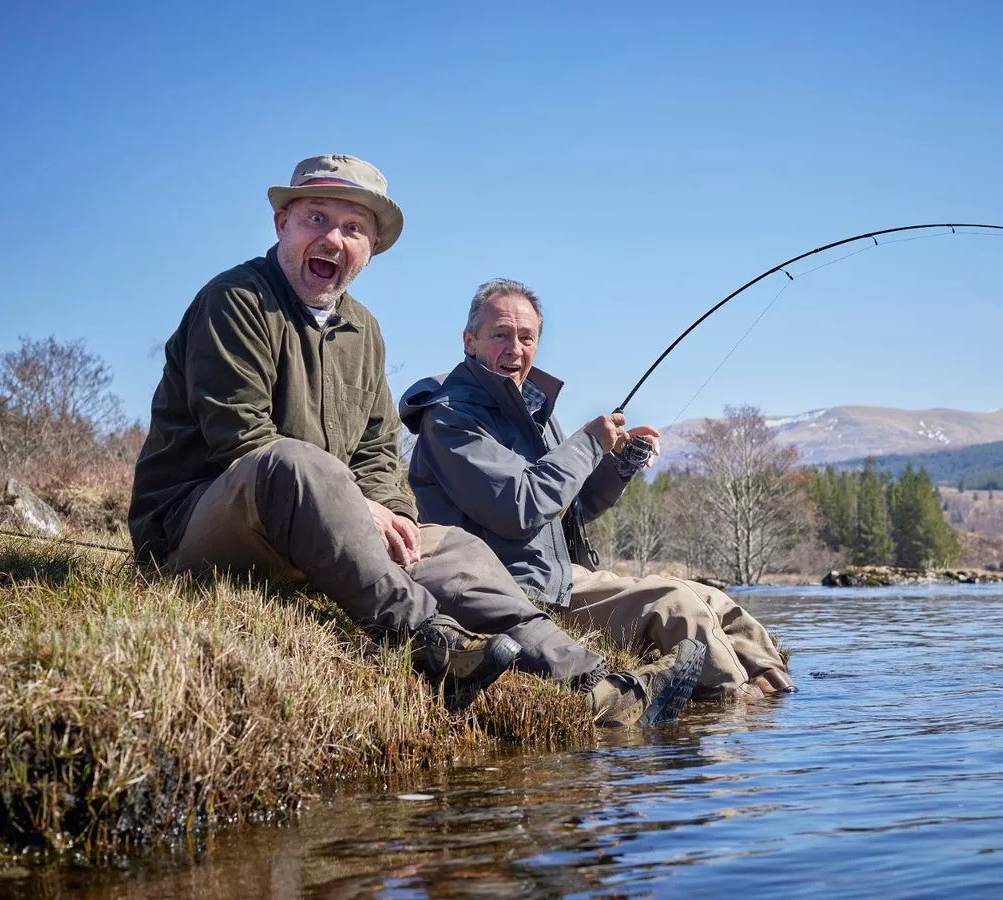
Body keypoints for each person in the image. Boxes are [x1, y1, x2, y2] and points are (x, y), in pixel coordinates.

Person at [128, 156, 703, 726]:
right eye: (316, 218)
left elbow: (378, 454)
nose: (333, 237)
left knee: (457, 549)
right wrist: (359, 510)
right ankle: (433, 642)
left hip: (324, 532)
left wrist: (395, 517)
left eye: (353, 228)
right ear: (283, 224)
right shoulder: (236, 299)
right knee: (295, 462)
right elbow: (242, 439)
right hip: (198, 528)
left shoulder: (365, 330)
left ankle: (604, 687)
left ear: (371, 248)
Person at [399, 277, 794, 702]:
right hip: (515, 593)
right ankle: (730, 719)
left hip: (559, 579)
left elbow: (571, 508)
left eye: (526, 337)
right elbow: (520, 508)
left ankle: (780, 699)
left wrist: (618, 465)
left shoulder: (534, 413)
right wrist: (588, 443)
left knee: (716, 602)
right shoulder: (451, 419)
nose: (514, 348)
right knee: (678, 606)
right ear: (469, 341)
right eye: (501, 335)